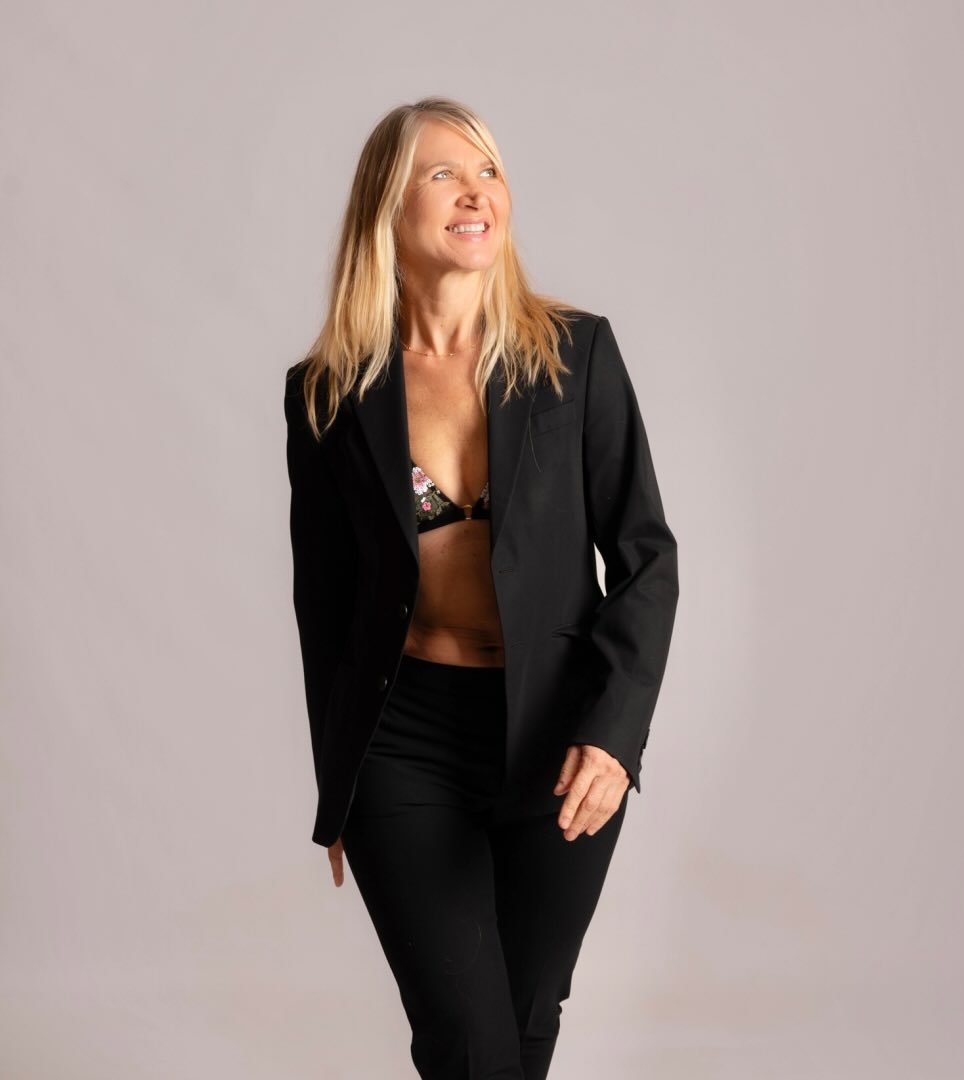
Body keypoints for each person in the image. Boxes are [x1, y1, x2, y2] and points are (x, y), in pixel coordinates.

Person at [283, 96, 678, 1080]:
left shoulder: (575, 358)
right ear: (387, 207)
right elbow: (323, 605)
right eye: (442, 173)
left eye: (489, 171)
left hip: (559, 740)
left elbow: (646, 560)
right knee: (467, 1042)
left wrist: (615, 736)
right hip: (404, 744)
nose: (476, 192)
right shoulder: (328, 391)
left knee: (526, 1020)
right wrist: (337, 786)